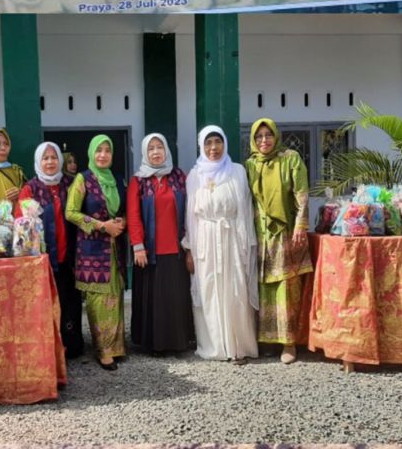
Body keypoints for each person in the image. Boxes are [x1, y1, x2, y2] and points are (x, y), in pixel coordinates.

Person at [184, 125, 258, 363]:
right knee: (209, 289)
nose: (213, 148)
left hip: (232, 238)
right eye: (208, 143)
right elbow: (190, 216)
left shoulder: (237, 171)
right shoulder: (194, 175)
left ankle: (239, 346)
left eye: (217, 142)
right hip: (205, 238)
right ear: (201, 146)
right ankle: (214, 345)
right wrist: (190, 249)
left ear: (225, 143)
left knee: (235, 288)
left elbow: (245, 209)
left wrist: (246, 242)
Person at [244, 118, 313, 364]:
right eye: (259, 136)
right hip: (260, 235)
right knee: (265, 288)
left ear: (276, 136)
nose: (264, 140)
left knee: (286, 289)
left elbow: (301, 194)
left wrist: (300, 225)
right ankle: (268, 340)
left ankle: (289, 343)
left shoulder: (290, 158)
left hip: (284, 234)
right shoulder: (251, 165)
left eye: (268, 135)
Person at [127, 133, 193, 355]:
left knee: (174, 297)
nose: (156, 152)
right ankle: (154, 344)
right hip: (148, 251)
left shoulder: (179, 176)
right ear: (145, 153)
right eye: (151, 148)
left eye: (160, 147)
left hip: (176, 249)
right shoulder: (139, 180)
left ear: (167, 150)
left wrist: (190, 244)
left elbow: (190, 211)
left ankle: (178, 342)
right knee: (153, 299)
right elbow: (133, 214)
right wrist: (138, 245)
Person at [65, 134, 127, 370]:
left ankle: (117, 346)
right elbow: (70, 212)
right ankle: (103, 351)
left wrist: (121, 223)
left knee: (116, 295)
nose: (103, 155)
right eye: (98, 150)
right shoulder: (83, 178)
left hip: (114, 247)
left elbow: (123, 208)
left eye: (107, 150)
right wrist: (102, 225)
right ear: (91, 153)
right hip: (92, 250)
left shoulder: (117, 179)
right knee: (99, 300)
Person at [18, 141, 84, 358]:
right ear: (38, 161)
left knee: (70, 301)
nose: (50, 162)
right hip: (44, 259)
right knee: (46, 304)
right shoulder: (31, 188)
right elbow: (22, 224)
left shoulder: (72, 183)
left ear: (60, 160)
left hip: (70, 255)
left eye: (53, 157)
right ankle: (49, 349)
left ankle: (71, 346)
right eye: (45, 158)